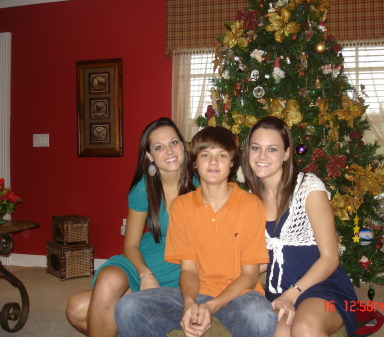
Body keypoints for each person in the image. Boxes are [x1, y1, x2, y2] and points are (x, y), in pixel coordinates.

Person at [115, 126, 278, 337]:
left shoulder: (251, 205)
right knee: (128, 307)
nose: (213, 162)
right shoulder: (181, 207)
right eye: (205, 155)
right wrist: (190, 303)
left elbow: (249, 275)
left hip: (241, 295)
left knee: (261, 316)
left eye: (221, 155)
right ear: (194, 162)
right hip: (196, 291)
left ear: (231, 162)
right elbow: (188, 270)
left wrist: (212, 307)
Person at [66, 117, 196, 337]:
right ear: (149, 156)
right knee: (75, 309)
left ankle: (127, 307)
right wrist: (146, 275)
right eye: (158, 147)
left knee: (81, 310)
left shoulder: (202, 183)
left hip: (178, 266)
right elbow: (131, 245)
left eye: (174, 143)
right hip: (144, 260)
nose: (169, 151)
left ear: (183, 145)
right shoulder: (144, 187)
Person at [241, 116, 358, 337]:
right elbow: (264, 258)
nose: (262, 156)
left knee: (305, 329)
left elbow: (330, 258)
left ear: (286, 153)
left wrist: (292, 294)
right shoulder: (250, 199)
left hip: (321, 285)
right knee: (279, 334)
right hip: (279, 290)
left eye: (272, 149)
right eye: (256, 148)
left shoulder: (308, 187)